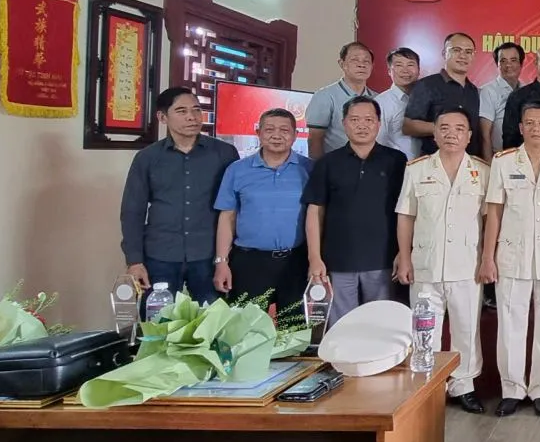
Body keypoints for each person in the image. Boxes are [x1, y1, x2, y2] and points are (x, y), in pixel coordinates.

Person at [479, 101, 540, 417]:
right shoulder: (504, 161)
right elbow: (494, 212)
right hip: (512, 254)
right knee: (511, 324)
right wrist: (488, 256)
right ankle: (512, 389)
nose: (536, 129)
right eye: (530, 123)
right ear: (521, 128)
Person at [393, 107, 489, 414]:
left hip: (467, 264)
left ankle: (464, 386)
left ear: (469, 136)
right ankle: (428, 388)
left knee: (466, 328)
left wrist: (487, 258)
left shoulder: (482, 171)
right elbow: (406, 216)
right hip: (426, 264)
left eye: (459, 129)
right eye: (444, 128)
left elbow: (490, 220)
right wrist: (404, 256)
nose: (451, 134)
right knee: (424, 330)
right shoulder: (417, 169)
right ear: (434, 134)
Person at [120, 87, 240, 303]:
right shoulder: (147, 158)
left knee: (215, 319)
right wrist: (134, 261)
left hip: (208, 254)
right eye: (182, 111)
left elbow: (234, 208)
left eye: (196, 110)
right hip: (160, 254)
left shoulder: (224, 153)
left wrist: (226, 258)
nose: (192, 117)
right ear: (162, 117)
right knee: (159, 319)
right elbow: (132, 212)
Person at [303, 96, 407, 327]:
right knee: (342, 328)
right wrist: (315, 258)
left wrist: (404, 252)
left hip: (383, 260)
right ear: (344, 123)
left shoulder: (397, 161)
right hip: (338, 261)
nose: (362, 125)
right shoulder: (327, 163)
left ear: (378, 124)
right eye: (355, 119)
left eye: (369, 120)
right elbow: (315, 212)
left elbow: (406, 213)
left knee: (380, 327)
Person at [213, 108, 312, 313]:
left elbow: (318, 216)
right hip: (250, 262)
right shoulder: (237, 170)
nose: (277, 135)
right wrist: (221, 261)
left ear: (295, 135)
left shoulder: (309, 169)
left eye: (284, 130)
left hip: (296, 262)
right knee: (246, 328)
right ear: (258, 133)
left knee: (294, 328)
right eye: (269, 129)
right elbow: (227, 216)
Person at [404, 32, 480, 156]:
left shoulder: (473, 91)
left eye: (468, 52)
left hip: (468, 162)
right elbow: (408, 126)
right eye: (456, 50)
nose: (463, 56)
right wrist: (446, 128)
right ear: (444, 53)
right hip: (434, 161)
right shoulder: (426, 85)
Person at [306, 42, 378, 159]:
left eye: (366, 61)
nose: (361, 65)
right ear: (342, 64)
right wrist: (319, 167)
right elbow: (315, 139)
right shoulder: (325, 96)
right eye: (355, 60)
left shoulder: (378, 98)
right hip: (336, 165)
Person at [479, 42, 525, 159]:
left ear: (521, 64)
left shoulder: (527, 91)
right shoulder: (488, 91)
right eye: (503, 61)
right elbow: (485, 134)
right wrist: (489, 164)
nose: (508, 65)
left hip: (524, 157)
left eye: (513, 60)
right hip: (499, 156)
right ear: (497, 65)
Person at [376, 47, 423, 160]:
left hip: (426, 165)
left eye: (410, 65)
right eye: (399, 65)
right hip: (395, 165)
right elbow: (378, 142)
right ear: (389, 71)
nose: (405, 70)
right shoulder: (380, 103)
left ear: (419, 70)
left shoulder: (427, 99)